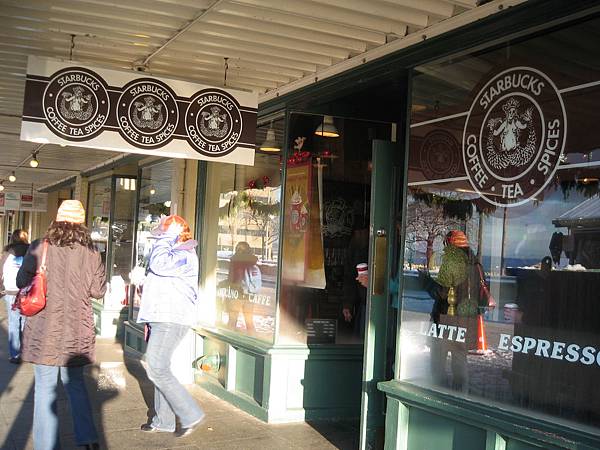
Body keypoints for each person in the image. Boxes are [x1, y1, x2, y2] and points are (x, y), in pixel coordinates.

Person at [16, 200, 106, 450]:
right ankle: (88, 439)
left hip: (44, 330)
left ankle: (47, 446)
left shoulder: (39, 247)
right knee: (76, 384)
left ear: (56, 220)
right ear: (82, 222)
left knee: (45, 389)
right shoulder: (92, 252)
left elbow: (21, 279)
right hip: (77, 332)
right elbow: (98, 291)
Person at [137, 215, 204, 437]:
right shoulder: (173, 251)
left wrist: (168, 236)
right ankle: (163, 420)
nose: (159, 238)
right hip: (160, 317)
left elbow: (160, 264)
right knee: (160, 369)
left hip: (170, 318)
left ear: (175, 233)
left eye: (162, 234)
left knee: (156, 367)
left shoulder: (185, 253)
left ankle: (191, 414)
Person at [420, 230, 484, 391]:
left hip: (446, 319)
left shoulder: (452, 263)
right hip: (467, 319)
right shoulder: (476, 265)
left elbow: (440, 293)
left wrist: (426, 281)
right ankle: (460, 392)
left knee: (438, 359)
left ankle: (439, 393)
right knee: (460, 358)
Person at [0, 229, 30, 363]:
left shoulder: (7, 252)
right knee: (26, 322)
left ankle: (15, 354)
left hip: (11, 291)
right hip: (27, 291)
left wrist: (2, 288)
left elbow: (1, 272)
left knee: (13, 323)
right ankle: (26, 351)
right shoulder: (31, 251)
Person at [225, 241, 262, 332]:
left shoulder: (236, 261)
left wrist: (227, 288)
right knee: (248, 321)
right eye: (237, 248)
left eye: (240, 249)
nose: (238, 250)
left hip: (237, 294)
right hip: (247, 295)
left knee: (232, 322)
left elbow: (234, 279)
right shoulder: (251, 261)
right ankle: (252, 340)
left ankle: (229, 341)